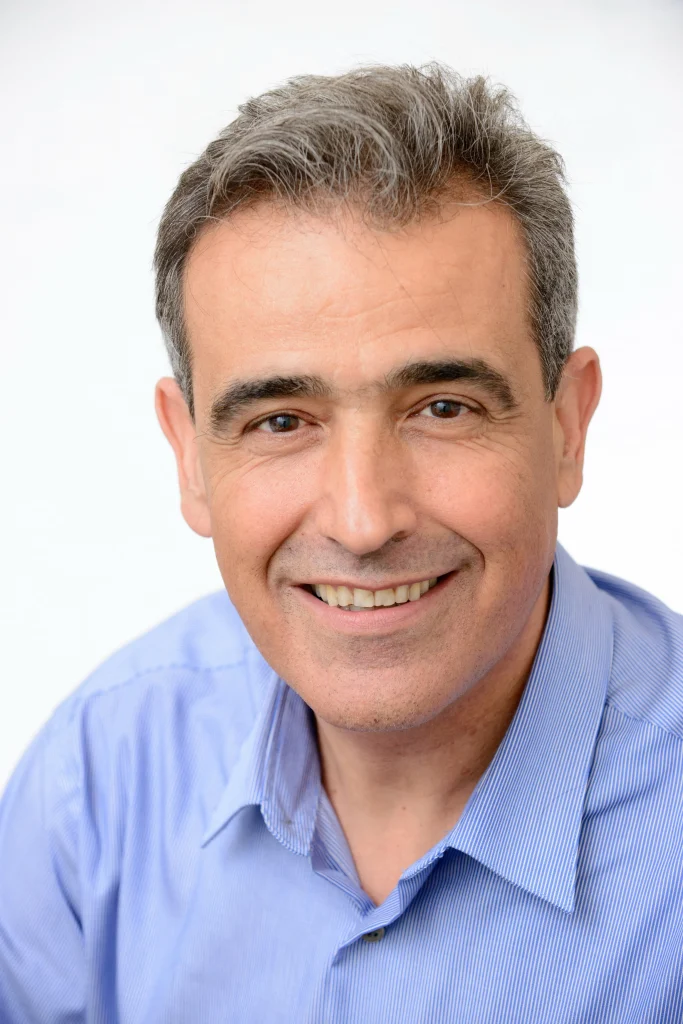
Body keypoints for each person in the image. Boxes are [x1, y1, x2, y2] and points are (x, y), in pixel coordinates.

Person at [1, 63, 682, 1024]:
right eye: (280, 421)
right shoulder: (101, 778)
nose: (363, 522)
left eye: (442, 408)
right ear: (190, 458)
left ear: (566, 427)